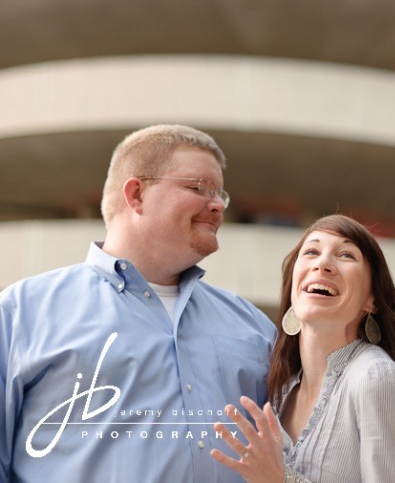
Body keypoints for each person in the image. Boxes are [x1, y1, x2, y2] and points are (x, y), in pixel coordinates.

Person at [0, 124, 276, 482]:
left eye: (220, 194)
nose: (216, 206)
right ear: (136, 194)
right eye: (199, 188)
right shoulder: (20, 313)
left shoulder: (253, 326)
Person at [211, 214, 395, 483]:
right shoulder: (279, 391)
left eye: (346, 255)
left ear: (372, 300)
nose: (323, 264)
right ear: (293, 287)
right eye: (311, 251)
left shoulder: (376, 377)